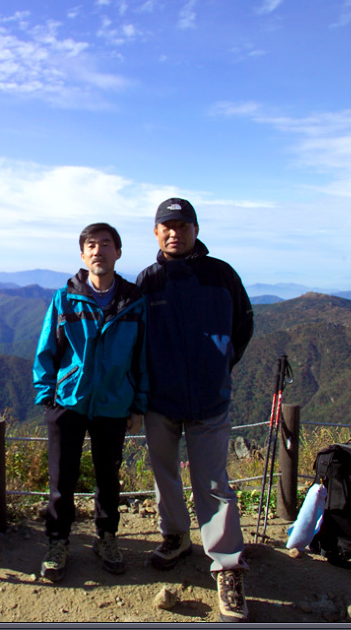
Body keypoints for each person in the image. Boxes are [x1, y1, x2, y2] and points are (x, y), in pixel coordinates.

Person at [136, 198, 254, 622]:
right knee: (163, 474)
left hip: (209, 399)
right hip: (160, 401)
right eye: (166, 226)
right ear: (155, 233)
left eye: (182, 225)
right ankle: (176, 536)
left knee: (213, 482)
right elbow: (135, 339)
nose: (175, 232)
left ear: (196, 229)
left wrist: (222, 364)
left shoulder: (221, 275)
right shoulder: (148, 281)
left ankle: (226, 566)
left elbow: (244, 322)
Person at [32, 222, 148, 583]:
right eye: (91, 245)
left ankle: (107, 537)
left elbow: (142, 357)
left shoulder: (134, 302)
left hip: (114, 403)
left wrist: (139, 405)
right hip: (68, 401)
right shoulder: (65, 298)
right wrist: (46, 395)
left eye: (106, 244)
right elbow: (47, 349)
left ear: (118, 252)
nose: (98, 251)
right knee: (61, 480)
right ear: (83, 255)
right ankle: (57, 542)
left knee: (108, 478)